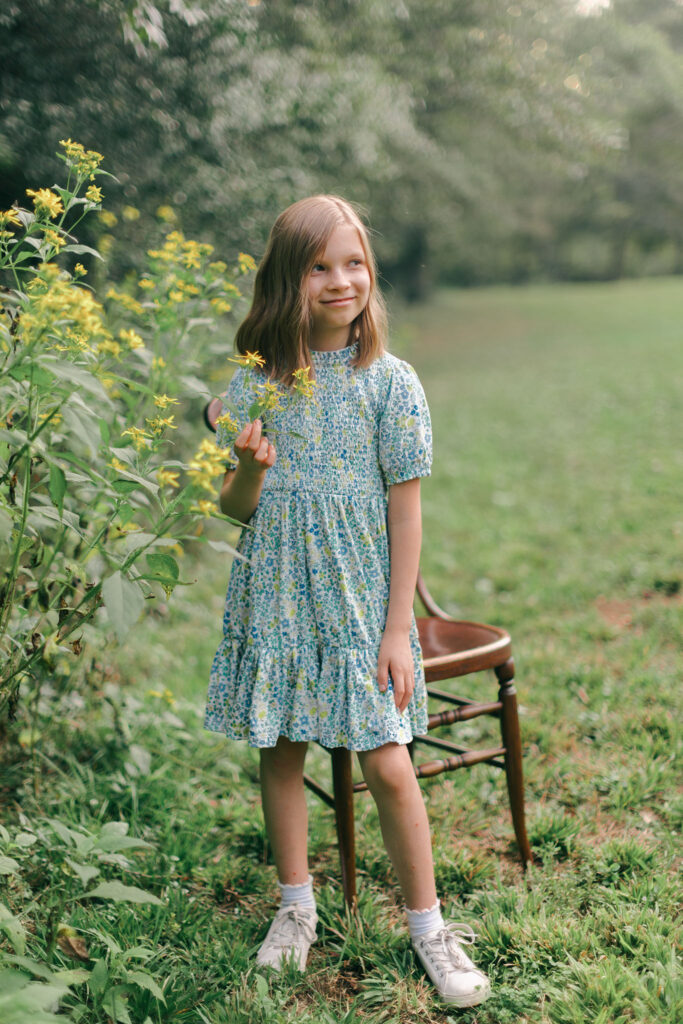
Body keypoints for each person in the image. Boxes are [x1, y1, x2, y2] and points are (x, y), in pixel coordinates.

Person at [204, 195, 491, 1007]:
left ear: (371, 273)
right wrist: (250, 466)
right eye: (318, 266)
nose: (340, 280)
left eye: (353, 262)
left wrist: (398, 627)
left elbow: (405, 509)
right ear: (284, 283)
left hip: (361, 603)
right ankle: (296, 908)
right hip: (276, 594)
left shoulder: (389, 384)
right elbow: (234, 507)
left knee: (389, 766)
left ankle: (428, 925)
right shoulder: (257, 386)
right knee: (282, 748)